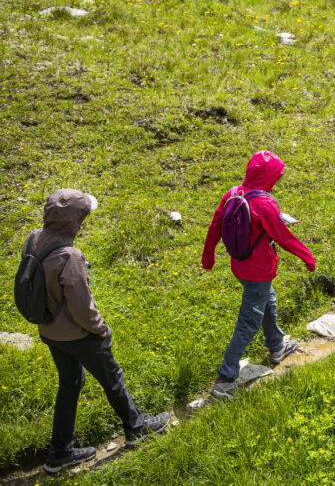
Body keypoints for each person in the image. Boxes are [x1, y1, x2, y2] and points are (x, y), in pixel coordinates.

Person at [23, 189, 170, 475]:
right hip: (79, 335)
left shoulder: (33, 239)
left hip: (49, 331)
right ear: (74, 220)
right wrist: (100, 329)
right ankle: (137, 429)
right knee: (112, 377)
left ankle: (60, 453)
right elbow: (81, 307)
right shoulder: (70, 256)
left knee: (69, 384)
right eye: (83, 216)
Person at [201, 150, 315, 399]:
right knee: (248, 323)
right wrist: (307, 256)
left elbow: (214, 227)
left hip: (240, 266)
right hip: (259, 271)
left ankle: (277, 346)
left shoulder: (232, 193)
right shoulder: (264, 203)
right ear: (269, 177)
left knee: (267, 301)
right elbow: (283, 237)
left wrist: (208, 257)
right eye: (277, 177)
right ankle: (225, 378)